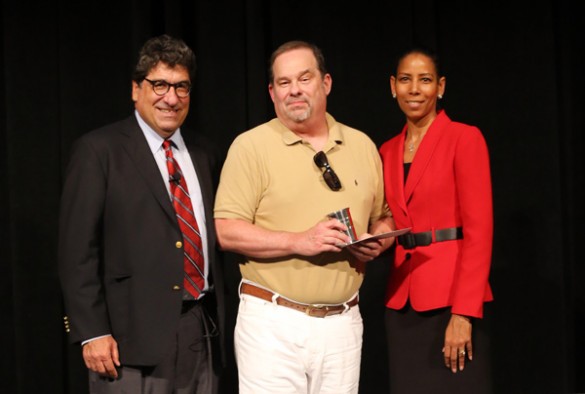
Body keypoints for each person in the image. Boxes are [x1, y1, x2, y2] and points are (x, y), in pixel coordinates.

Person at [213, 40, 394, 394]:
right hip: (273, 322)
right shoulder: (251, 147)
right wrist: (299, 241)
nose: (294, 89)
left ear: (325, 83)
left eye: (304, 78)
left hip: (343, 323)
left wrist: (379, 241)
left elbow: (382, 217)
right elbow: (227, 232)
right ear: (272, 92)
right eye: (284, 82)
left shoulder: (361, 146)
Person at [58, 34, 225, 394]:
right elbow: (76, 252)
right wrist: (92, 332)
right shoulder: (98, 151)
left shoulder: (204, 153)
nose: (172, 97)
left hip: (201, 331)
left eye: (182, 87)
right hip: (126, 342)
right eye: (160, 84)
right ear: (136, 89)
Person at [379, 47, 494, 393]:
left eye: (425, 80)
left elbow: (480, 231)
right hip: (402, 303)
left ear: (440, 87)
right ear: (392, 86)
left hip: (452, 301)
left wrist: (464, 313)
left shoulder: (464, 137)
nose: (414, 89)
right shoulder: (386, 150)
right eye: (405, 79)